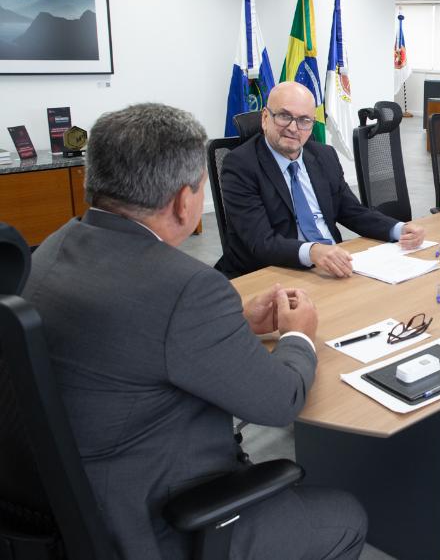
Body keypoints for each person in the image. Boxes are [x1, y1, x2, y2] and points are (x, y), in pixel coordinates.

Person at [22, 104, 366, 560]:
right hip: (152, 520)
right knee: (345, 517)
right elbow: (280, 401)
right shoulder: (186, 286)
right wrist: (297, 336)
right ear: (185, 202)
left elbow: (140, 334)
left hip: (65, 503)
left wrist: (236, 322)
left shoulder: (52, 248)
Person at [216, 81, 425, 279]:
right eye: (284, 116)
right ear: (265, 118)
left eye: (304, 120)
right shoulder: (241, 165)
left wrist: (398, 229)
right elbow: (260, 242)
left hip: (331, 267)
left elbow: (353, 212)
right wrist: (313, 252)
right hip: (275, 272)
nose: (293, 128)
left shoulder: (324, 156)